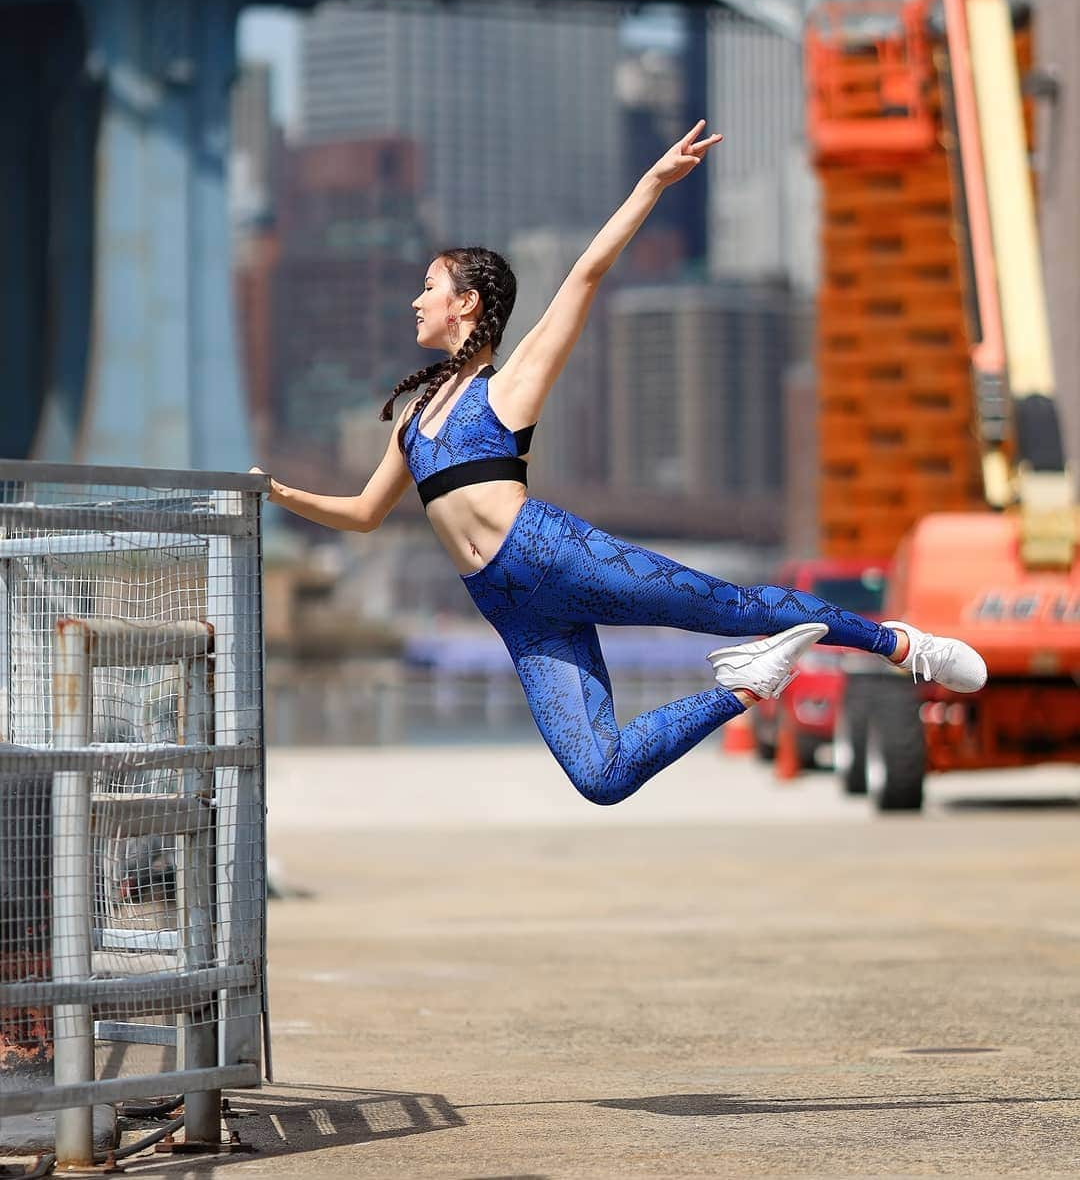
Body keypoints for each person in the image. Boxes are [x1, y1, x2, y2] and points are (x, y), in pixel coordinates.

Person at [253, 121, 986, 806]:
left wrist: (653, 185)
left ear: (467, 304)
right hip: (508, 606)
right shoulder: (411, 418)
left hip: (549, 555)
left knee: (731, 608)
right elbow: (363, 513)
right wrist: (276, 492)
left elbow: (585, 275)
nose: (415, 301)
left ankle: (902, 644)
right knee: (599, 776)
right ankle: (747, 686)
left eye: (429, 288)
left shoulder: (507, 386)